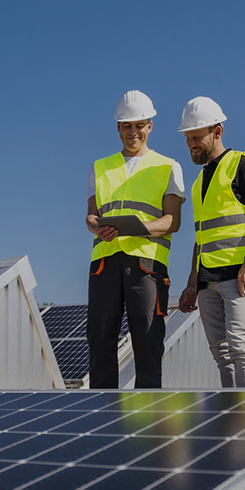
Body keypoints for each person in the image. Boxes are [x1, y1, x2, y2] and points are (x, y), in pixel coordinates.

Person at [176, 96, 245, 388]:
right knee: (221, 354)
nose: (191, 144)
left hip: (238, 276)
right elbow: (202, 238)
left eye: (196, 137)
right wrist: (192, 283)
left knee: (240, 348)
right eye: (187, 138)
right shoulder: (198, 183)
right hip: (207, 280)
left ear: (217, 132)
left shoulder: (242, 165)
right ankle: (231, 411)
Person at [86, 90, 185, 389]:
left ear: (150, 126)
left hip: (147, 265)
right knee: (100, 340)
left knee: (148, 340)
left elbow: (172, 221)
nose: (133, 132)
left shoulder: (168, 167)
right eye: (127, 125)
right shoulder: (99, 167)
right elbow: (91, 216)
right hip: (104, 263)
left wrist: (137, 228)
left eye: (139, 125)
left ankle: (148, 413)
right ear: (118, 127)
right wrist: (96, 227)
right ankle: (101, 411)